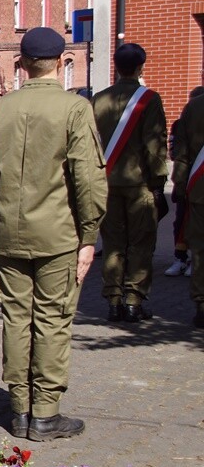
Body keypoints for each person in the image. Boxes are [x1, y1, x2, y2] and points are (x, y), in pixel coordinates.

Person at [0, 27, 107, 441]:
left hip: (10, 234)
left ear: (23, 63)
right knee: (52, 320)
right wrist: (89, 236)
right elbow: (88, 180)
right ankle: (44, 413)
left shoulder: (1, 109)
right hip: (58, 236)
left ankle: (19, 410)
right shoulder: (75, 108)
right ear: (61, 61)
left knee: (16, 320)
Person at [92, 43, 168, 323]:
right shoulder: (149, 99)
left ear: (116, 66)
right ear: (140, 67)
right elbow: (154, 144)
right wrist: (158, 181)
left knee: (112, 243)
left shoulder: (98, 99)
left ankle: (113, 300)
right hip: (140, 184)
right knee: (140, 243)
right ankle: (134, 300)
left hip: (106, 183)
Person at [171, 88, 204, 327]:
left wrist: (180, 186)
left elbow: (181, 154)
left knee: (200, 250)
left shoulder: (193, 107)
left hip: (200, 190)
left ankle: (202, 305)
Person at [166, 86, 204, 277]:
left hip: (194, 180)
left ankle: (192, 261)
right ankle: (181, 258)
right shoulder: (181, 123)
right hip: (190, 180)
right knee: (182, 222)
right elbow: (176, 151)